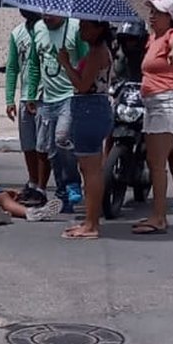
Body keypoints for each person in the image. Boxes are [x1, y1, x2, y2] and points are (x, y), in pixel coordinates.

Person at [134, 0, 173, 235]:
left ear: (170, 17)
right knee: (154, 162)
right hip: (153, 105)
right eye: (151, 11)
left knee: (157, 165)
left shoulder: (172, 35)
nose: (152, 15)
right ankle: (157, 214)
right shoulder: (152, 38)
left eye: (158, 12)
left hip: (167, 104)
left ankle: (159, 218)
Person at [57, 19, 114, 240]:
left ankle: (91, 224)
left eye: (86, 26)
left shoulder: (97, 53)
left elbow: (82, 85)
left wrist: (66, 64)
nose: (81, 30)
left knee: (91, 170)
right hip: (92, 109)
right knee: (89, 168)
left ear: (98, 28)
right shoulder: (97, 51)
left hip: (89, 109)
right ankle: (90, 220)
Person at [24, 15, 87, 213]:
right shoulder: (39, 28)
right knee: (50, 150)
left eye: (51, 12)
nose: (47, 16)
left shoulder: (75, 28)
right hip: (47, 97)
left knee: (62, 139)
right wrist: (31, 93)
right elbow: (34, 64)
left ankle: (73, 181)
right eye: (44, 12)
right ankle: (62, 193)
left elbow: (86, 60)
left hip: (70, 95)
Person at [5, 9, 47, 204]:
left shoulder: (46, 31)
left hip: (45, 95)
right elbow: (13, 67)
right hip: (24, 97)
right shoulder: (17, 33)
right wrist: (9, 99)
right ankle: (32, 181)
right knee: (28, 144)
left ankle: (41, 187)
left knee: (42, 146)